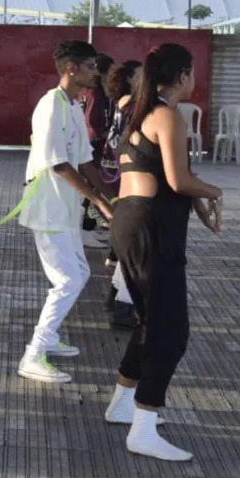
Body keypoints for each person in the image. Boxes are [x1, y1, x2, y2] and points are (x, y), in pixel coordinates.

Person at [104, 43, 221, 462]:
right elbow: (180, 178)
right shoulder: (167, 115)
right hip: (152, 230)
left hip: (131, 222)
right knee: (171, 333)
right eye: (192, 74)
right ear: (183, 76)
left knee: (153, 322)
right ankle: (144, 426)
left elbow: (163, 175)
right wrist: (214, 191)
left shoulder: (139, 112)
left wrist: (197, 200)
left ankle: (122, 403)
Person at [15, 40, 116, 384]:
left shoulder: (74, 104)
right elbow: (58, 163)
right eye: (90, 66)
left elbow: (84, 159)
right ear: (71, 67)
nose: (95, 72)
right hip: (48, 208)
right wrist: (99, 202)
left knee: (81, 275)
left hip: (66, 209)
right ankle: (33, 354)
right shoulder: (50, 105)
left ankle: (51, 336)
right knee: (68, 280)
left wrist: (109, 195)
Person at [104, 59, 143, 330]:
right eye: (140, 75)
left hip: (116, 168)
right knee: (137, 245)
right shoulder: (133, 105)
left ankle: (118, 294)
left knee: (130, 242)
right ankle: (123, 304)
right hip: (126, 172)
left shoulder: (123, 102)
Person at [79, 54, 115, 249]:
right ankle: (85, 229)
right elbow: (92, 121)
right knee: (91, 187)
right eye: (110, 70)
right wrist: (104, 134)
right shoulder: (95, 93)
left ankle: (88, 228)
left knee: (91, 187)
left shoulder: (93, 91)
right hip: (94, 145)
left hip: (92, 144)